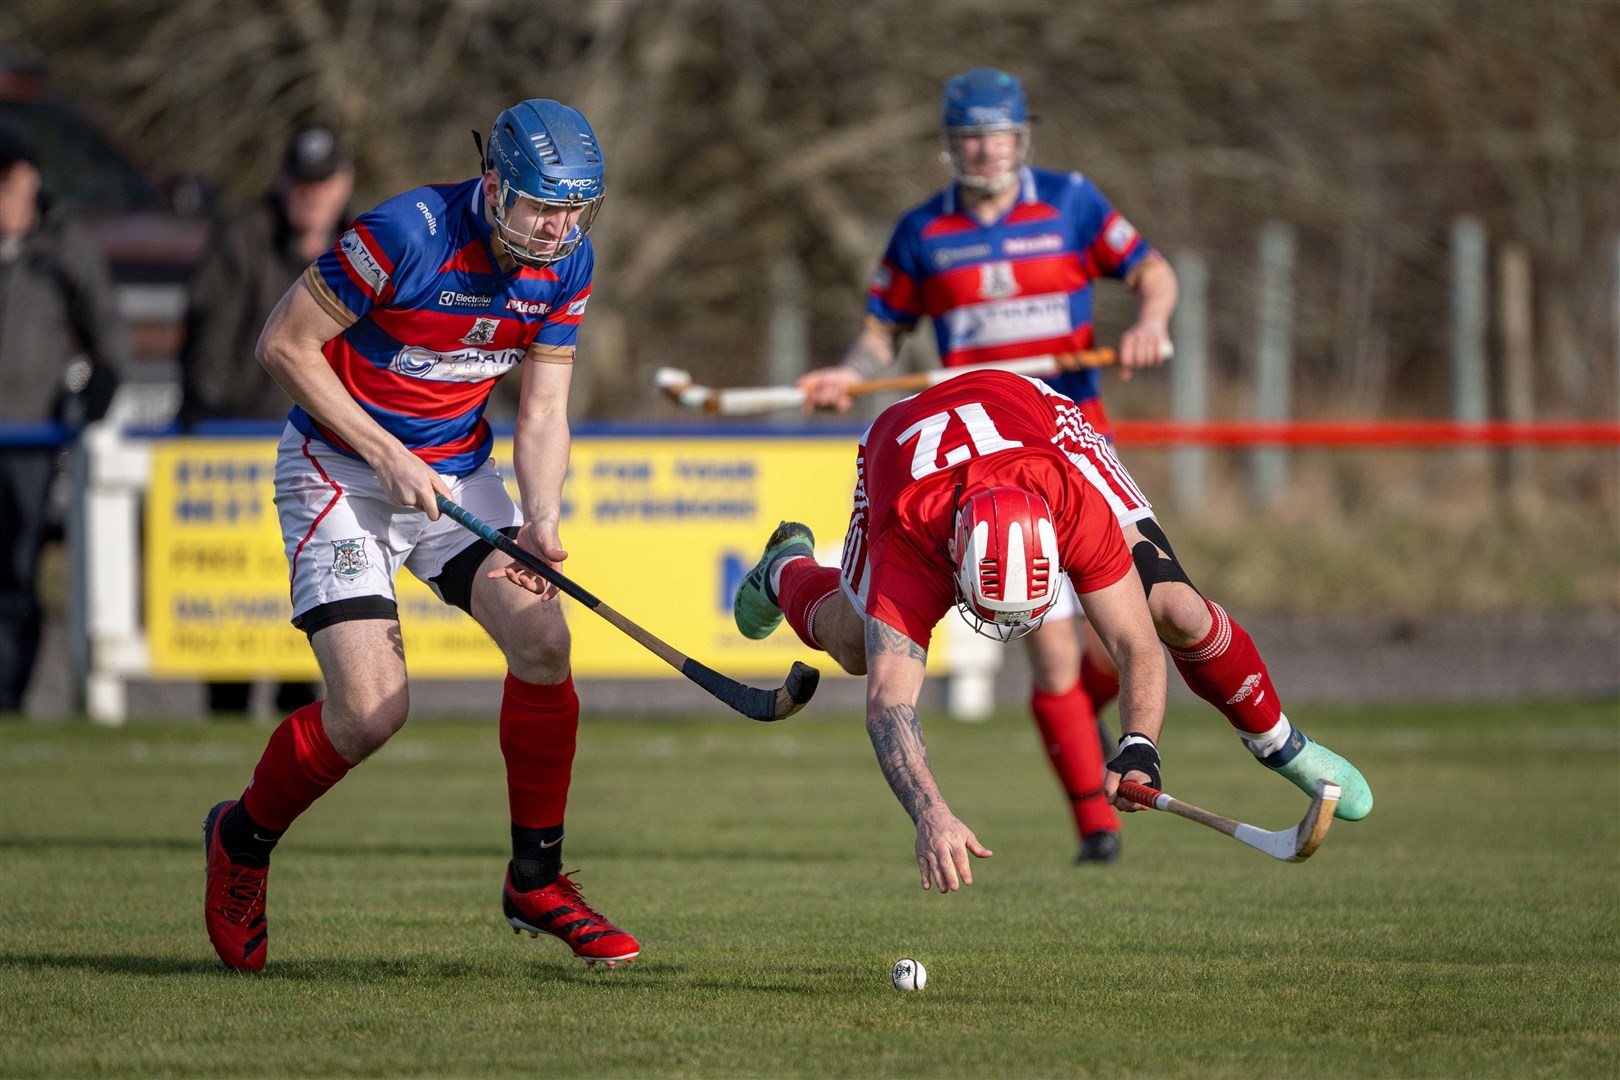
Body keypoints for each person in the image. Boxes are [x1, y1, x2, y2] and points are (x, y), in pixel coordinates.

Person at [201, 99, 636, 972]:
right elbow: (283, 345)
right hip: (339, 466)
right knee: (371, 711)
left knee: (544, 639)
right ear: (493, 186)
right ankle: (241, 843)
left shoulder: (567, 264)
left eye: (572, 211)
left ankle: (536, 881)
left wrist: (542, 515)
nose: (555, 230)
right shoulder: (405, 231)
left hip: (458, 471)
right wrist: (383, 451)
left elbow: (544, 407)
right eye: (539, 207)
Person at [734, 370, 1372, 890]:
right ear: (955, 564)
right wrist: (931, 813)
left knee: (1177, 609)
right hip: (899, 446)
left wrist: (1138, 745)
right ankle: (785, 565)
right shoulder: (912, 545)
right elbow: (889, 704)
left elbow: (1135, 646)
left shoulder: (1070, 503)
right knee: (853, 649)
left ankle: (1280, 744)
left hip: (1038, 420)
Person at [796, 69, 1182, 864]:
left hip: (1069, 453)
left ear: (1022, 136)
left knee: (1108, 640)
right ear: (951, 143)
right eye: (970, 134)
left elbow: (1152, 269)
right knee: (1050, 646)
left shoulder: (1072, 202)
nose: (985, 148)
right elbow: (881, 334)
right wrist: (848, 371)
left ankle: (1115, 750)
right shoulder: (921, 233)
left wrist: (1151, 320)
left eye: (999, 132)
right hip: (974, 461)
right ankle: (1097, 828)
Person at [178, 125, 356, 718]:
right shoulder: (242, 237)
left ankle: (298, 699)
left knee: (315, 583)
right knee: (236, 583)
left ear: (343, 183)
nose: (311, 196)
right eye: (301, 184)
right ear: (282, 184)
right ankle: (225, 707)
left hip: (329, 442)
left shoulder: (368, 242)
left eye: (322, 183)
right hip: (245, 437)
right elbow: (210, 335)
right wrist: (213, 412)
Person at [0, 119, 130, 713]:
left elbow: (106, 323)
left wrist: (101, 385)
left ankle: (9, 698)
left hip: (27, 438)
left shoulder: (60, 243)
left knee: (17, 576)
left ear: (27, 179)